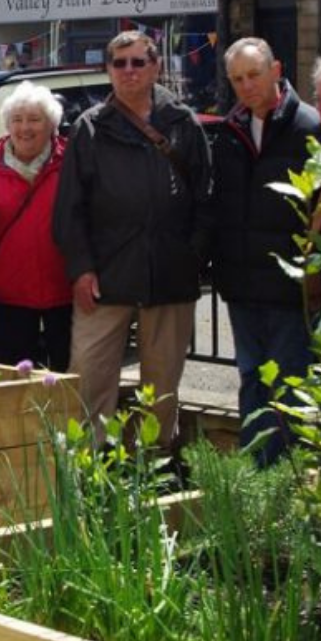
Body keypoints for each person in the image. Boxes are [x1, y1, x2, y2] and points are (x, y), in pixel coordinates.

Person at [53, 30, 213, 449]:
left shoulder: (183, 124)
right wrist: (81, 269)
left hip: (169, 277)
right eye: (119, 63)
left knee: (161, 388)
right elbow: (70, 209)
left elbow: (205, 200)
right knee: (89, 379)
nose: (128, 71)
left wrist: (191, 257)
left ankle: (155, 469)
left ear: (155, 66)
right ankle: (90, 471)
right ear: (108, 70)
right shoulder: (89, 129)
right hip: (104, 278)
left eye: (137, 62)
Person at [210, 37, 321, 466]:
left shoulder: (308, 128)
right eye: (237, 79)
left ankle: (286, 477)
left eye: (254, 75)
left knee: (290, 387)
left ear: (276, 70)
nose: (246, 85)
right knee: (250, 381)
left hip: (287, 287)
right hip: (242, 286)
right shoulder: (230, 131)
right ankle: (257, 472)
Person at [0, 81, 72, 370]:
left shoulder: (72, 162)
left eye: (35, 119)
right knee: (14, 380)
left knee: (69, 378)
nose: (25, 128)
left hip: (65, 290)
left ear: (52, 125)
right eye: (17, 120)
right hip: (11, 292)